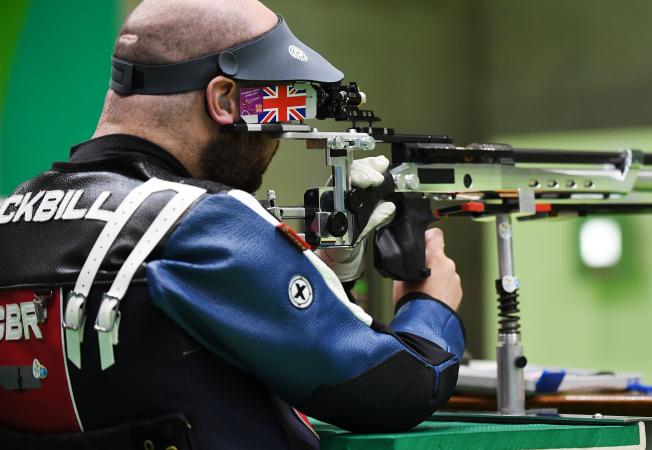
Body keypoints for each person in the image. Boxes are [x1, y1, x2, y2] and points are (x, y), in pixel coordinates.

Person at [0, 1, 465, 449]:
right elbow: (397, 385)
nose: (279, 133)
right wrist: (431, 305)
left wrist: (329, 278)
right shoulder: (198, 223)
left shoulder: (10, 218)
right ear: (224, 98)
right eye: (276, 110)